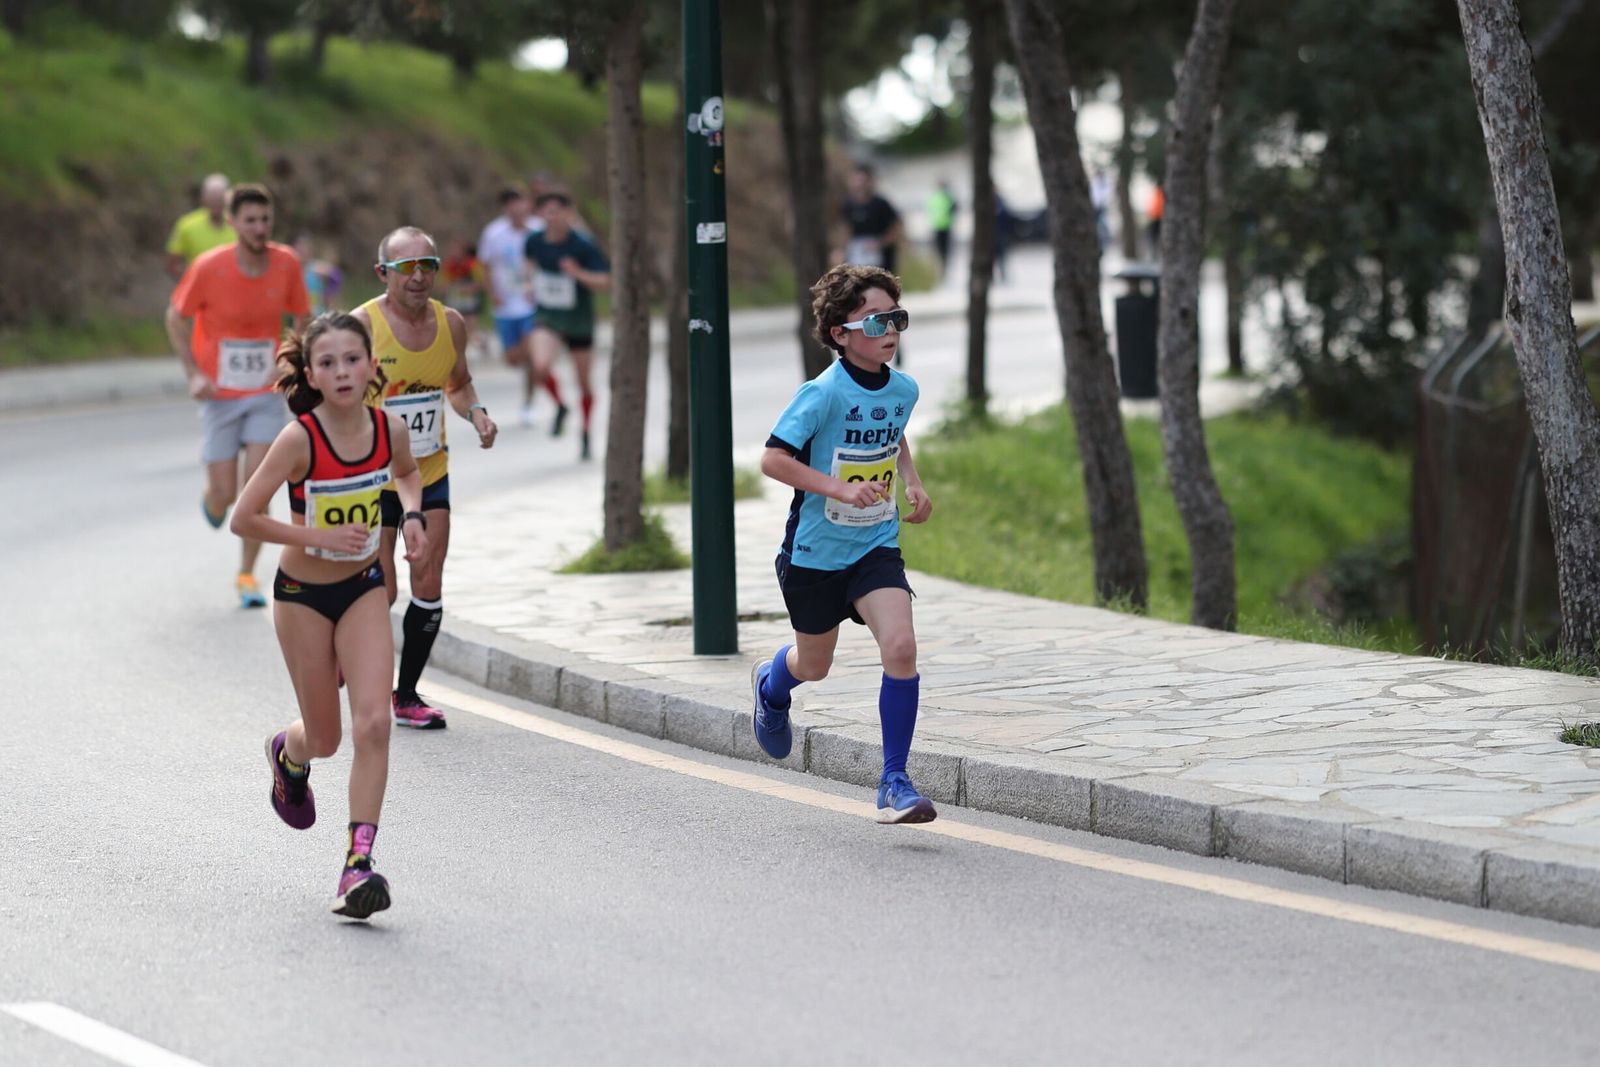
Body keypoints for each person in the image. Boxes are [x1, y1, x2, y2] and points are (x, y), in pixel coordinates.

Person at [231, 312, 427, 920]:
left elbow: (409, 474)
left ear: (372, 366)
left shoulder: (387, 428)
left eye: (352, 359)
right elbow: (244, 517)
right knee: (327, 736)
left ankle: (357, 865)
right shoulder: (300, 440)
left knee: (374, 724)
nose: (341, 372)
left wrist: (413, 515)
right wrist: (311, 532)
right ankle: (289, 755)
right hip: (302, 597)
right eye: (328, 363)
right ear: (312, 374)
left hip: (364, 587)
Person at [752, 263, 937, 825]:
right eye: (877, 319)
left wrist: (912, 480)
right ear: (840, 333)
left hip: (876, 544)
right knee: (814, 665)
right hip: (815, 554)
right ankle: (771, 685)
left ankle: (894, 782)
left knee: (900, 647)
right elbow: (772, 458)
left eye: (897, 318)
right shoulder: (821, 393)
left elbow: (891, 428)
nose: (891, 330)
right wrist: (836, 488)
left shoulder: (905, 388)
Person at [353, 226, 498, 730]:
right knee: (381, 591)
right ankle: (354, 670)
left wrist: (475, 412)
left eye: (427, 266)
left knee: (429, 579)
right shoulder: (361, 326)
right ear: (382, 274)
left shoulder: (451, 323)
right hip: (372, 480)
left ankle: (407, 694)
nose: (418, 277)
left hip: (428, 472)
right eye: (405, 268)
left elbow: (457, 383)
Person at [166, 183, 310, 608]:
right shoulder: (210, 266)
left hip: (265, 392)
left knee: (257, 489)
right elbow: (175, 318)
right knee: (224, 493)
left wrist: (290, 359)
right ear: (232, 224)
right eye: (250, 220)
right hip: (218, 393)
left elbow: (301, 312)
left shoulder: (286, 263)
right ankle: (213, 499)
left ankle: (246, 575)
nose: (260, 228)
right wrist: (192, 374)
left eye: (265, 220)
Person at [525, 190, 610, 461]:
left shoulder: (582, 245)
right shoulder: (534, 241)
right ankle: (560, 405)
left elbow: (605, 281)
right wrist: (528, 284)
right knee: (539, 366)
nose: (553, 216)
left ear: (568, 213)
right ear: (540, 215)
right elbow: (528, 266)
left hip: (578, 319)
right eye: (547, 211)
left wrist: (578, 274)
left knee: (584, 382)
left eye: (557, 210)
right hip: (548, 315)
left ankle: (585, 432)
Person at [478, 189, 567, 430]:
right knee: (514, 359)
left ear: (527, 205)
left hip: (532, 305)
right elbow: (485, 266)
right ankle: (546, 393)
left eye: (520, 203)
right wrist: (492, 293)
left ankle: (531, 403)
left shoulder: (539, 230)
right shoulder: (493, 233)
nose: (516, 209)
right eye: (510, 205)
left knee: (533, 359)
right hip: (506, 307)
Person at [165, 173, 234, 279]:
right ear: (203, 198)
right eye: (212, 199)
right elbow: (172, 263)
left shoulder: (238, 226)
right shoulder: (187, 224)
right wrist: (189, 282)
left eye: (219, 200)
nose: (216, 204)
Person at [840, 163, 904, 275]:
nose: (860, 184)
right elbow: (844, 230)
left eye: (863, 180)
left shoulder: (881, 204)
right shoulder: (848, 205)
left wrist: (880, 243)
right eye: (857, 180)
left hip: (881, 260)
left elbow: (897, 227)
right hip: (857, 257)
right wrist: (842, 251)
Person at [441, 238, 489, 359]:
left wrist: (471, 288)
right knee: (459, 327)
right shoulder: (450, 265)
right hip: (457, 300)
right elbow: (444, 282)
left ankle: (472, 346)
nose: (453, 253)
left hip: (471, 300)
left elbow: (482, 281)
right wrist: (448, 288)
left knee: (469, 326)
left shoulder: (472, 264)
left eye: (456, 250)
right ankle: (478, 343)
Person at [925, 179, 957, 283]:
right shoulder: (946, 197)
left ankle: (942, 273)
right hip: (941, 227)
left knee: (942, 252)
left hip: (942, 227)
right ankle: (941, 273)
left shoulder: (938, 197)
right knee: (942, 252)